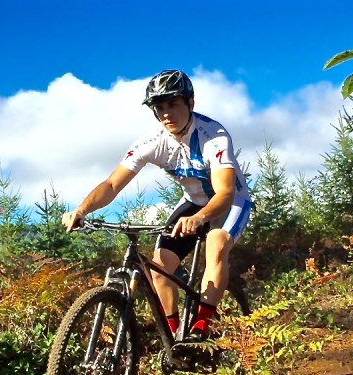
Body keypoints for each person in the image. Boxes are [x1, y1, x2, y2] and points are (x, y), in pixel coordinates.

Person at [62, 69, 251, 342]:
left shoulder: (214, 135)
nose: (166, 113)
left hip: (230, 201)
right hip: (192, 202)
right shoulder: (152, 142)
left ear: (190, 103)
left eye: (173, 104)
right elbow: (112, 184)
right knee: (158, 267)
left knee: (216, 243)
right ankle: (173, 338)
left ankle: (201, 327)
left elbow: (224, 191)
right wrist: (81, 210)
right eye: (159, 107)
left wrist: (200, 218)